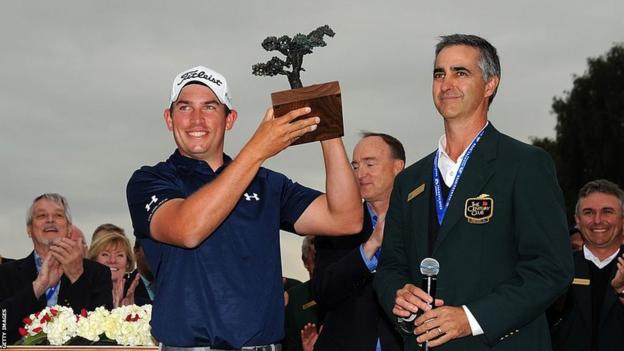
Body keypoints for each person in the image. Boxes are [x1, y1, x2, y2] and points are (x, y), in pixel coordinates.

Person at [126, 65, 362, 349]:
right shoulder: (151, 180)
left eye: (210, 107)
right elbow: (188, 230)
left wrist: (327, 127)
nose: (196, 119)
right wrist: (258, 149)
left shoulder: (266, 183)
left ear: (230, 119)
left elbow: (346, 218)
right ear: (169, 118)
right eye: (185, 107)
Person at [374, 34, 574, 350]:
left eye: (460, 72)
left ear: (490, 84)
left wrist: (472, 317)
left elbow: (551, 270)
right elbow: (389, 267)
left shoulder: (525, 164)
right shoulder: (410, 180)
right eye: (439, 73)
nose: (446, 83)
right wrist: (397, 294)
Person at [312, 132, 405, 351]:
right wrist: (369, 247)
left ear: (398, 167)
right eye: (355, 166)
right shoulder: (336, 224)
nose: (360, 173)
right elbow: (322, 291)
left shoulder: (420, 220)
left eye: (370, 164)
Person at [0, 193, 112, 344]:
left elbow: (102, 332)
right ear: (29, 230)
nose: (50, 220)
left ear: (69, 229)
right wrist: (38, 286)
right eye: (41, 216)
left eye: (58, 215)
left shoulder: (98, 273)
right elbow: (3, 326)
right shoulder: (6, 273)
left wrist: (77, 277)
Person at [549, 179, 624, 351]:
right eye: (589, 212)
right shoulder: (558, 268)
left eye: (607, 212)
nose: (597, 220)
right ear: (578, 220)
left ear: (622, 220)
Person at [87, 231, 146, 307]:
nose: (112, 260)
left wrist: (131, 311)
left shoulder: (142, 300)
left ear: (127, 263)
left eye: (119, 255)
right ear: (93, 260)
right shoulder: (84, 295)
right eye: (105, 254)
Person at [284, 236, 319, 351]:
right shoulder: (293, 298)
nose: (320, 262)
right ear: (305, 261)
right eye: (315, 256)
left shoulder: (348, 292)